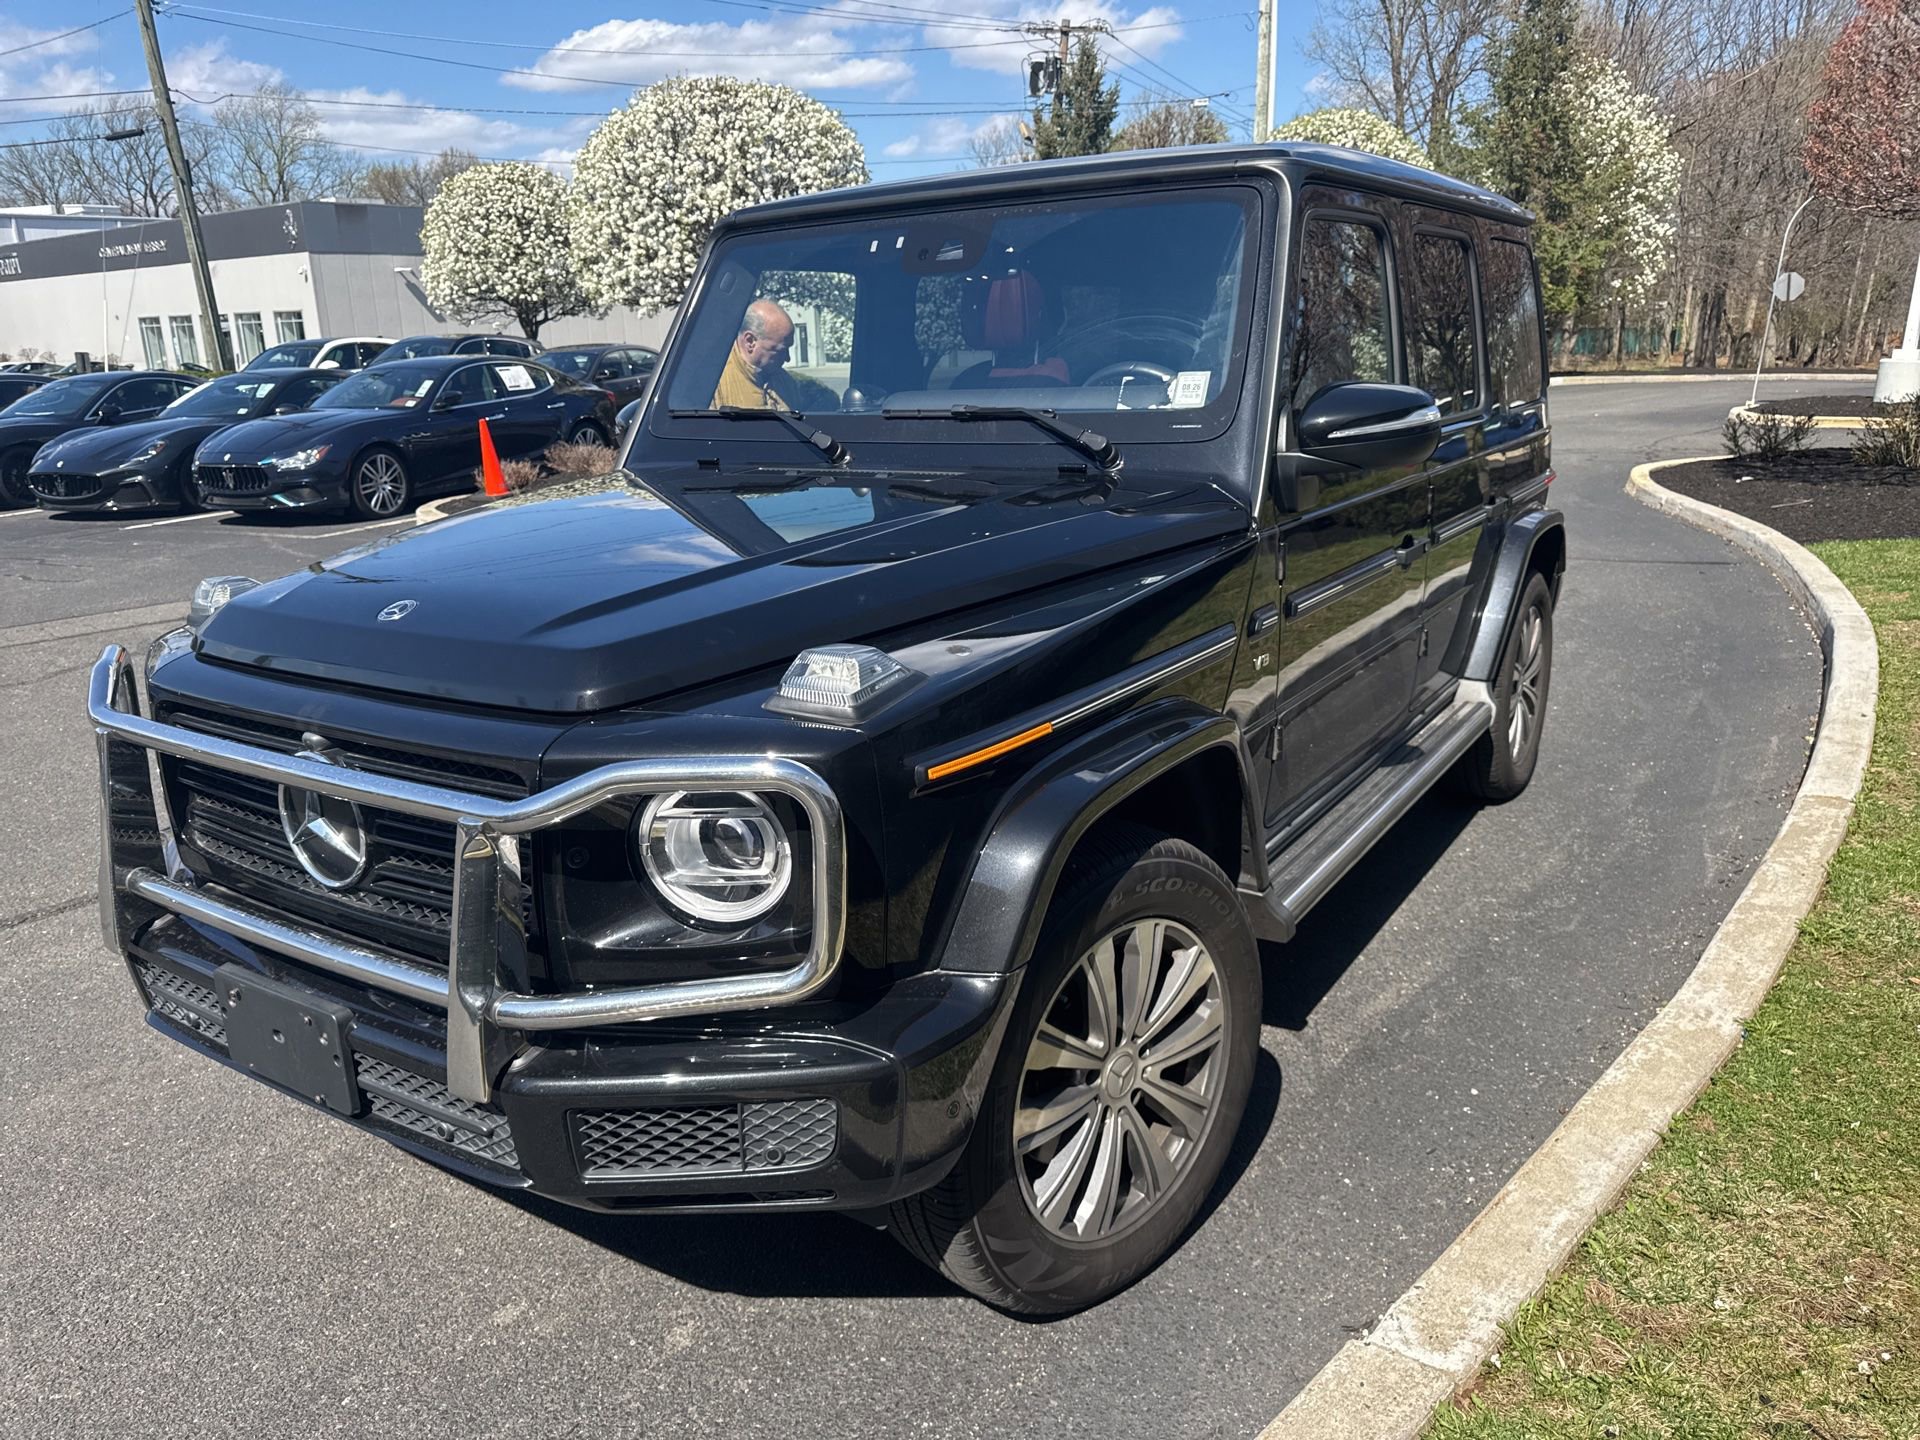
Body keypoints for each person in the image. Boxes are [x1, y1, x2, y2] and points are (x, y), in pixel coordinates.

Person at [711, 298, 799, 410]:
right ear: (750, 341)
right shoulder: (712, 386)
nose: (787, 359)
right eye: (780, 351)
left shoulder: (786, 383)